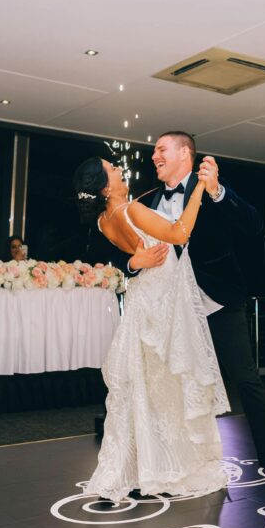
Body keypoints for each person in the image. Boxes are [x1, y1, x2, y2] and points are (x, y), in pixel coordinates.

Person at [146, 131, 265, 498]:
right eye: (153, 152)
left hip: (219, 304)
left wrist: (216, 191)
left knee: (246, 380)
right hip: (173, 311)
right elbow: (134, 252)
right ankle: (171, 466)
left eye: (161, 150)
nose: (154, 157)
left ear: (185, 154)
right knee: (171, 386)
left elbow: (253, 225)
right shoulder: (148, 201)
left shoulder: (212, 188)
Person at [73, 154, 229, 503]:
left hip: (146, 300)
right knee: (169, 382)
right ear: (104, 186)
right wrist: (201, 187)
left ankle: (150, 460)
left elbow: (129, 252)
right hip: (163, 301)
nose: (119, 169)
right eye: (112, 169)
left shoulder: (103, 220)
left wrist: (132, 261)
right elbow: (180, 233)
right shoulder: (130, 211)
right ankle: (170, 463)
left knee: (150, 384)